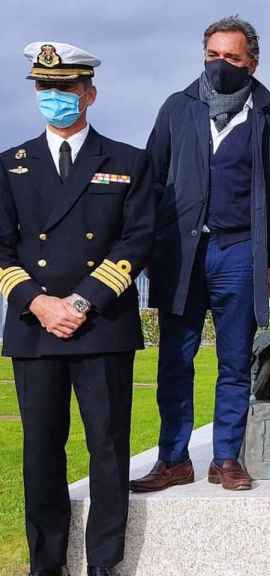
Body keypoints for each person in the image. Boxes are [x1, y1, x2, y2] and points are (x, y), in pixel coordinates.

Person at [1, 42, 156, 576]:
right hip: (35, 328)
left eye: (65, 88)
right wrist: (39, 303)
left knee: (108, 452)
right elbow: (0, 248)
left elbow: (137, 242)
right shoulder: (10, 165)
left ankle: (103, 565)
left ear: (89, 93)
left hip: (102, 326)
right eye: (45, 88)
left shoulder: (128, 161)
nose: (54, 97)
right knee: (41, 453)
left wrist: (82, 301)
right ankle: (45, 566)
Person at [131, 16, 270, 493]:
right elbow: (150, 180)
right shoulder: (176, 109)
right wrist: (143, 249)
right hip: (180, 255)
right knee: (175, 361)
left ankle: (226, 457)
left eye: (231, 57)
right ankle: (173, 459)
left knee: (233, 361)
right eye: (213, 56)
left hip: (240, 252)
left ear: (252, 62)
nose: (220, 65)